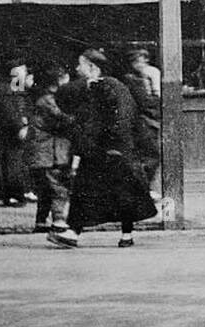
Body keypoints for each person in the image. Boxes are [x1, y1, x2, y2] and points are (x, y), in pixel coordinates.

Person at [49, 49, 157, 249]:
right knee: (104, 191)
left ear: (92, 67)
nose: (77, 68)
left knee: (112, 192)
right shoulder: (94, 87)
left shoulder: (113, 87)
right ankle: (87, 233)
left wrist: (114, 145)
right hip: (103, 149)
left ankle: (80, 232)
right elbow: (64, 97)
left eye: (81, 64)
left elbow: (121, 118)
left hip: (111, 149)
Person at [26, 66, 76, 235]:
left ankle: (41, 222)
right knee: (57, 187)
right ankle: (58, 220)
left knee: (46, 189)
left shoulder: (45, 99)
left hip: (45, 151)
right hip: (49, 152)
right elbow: (64, 119)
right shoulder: (50, 101)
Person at [0, 58, 35, 206]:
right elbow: (8, 109)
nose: (26, 72)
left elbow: (24, 107)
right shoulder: (6, 88)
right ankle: (13, 194)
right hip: (10, 131)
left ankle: (19, 192)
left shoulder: (17, 87)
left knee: (17, 161)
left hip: (19, 129)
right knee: (12, 162)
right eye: (23, 70)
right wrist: (20, 125)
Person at [124, 47, 161, 194]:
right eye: (138, 61)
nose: (142, 64)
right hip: (143, 122)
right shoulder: (133, 80)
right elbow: (146, 102)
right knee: (150, 156)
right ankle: (142, 188)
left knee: (147, 156)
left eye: (144, 61)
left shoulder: (145, 76)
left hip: (147, 121)